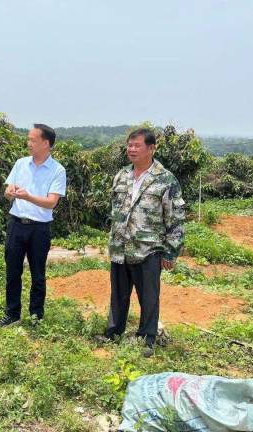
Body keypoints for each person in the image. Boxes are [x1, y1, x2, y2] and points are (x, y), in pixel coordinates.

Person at [100, 127, 185, 357]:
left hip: (148, 250)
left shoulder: (165, 179)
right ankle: (113, 333)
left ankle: (146, 339)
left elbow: (176, 218)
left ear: (151, 148)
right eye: (129, 145)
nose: (131, 149)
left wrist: (171, 252)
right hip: (120, 247)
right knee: (118, 295)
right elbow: (115, 210)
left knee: (148, 297)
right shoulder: (122, 176)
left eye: (137, 145)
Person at [0, 124, 67, 327]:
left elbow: (51, 202)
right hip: (16, 224)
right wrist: (9, 192)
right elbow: (7, 191)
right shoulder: (20, 164)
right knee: (12, 272)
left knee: (38, 274)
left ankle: (36, 315)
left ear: (46, 143)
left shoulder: (57, 170)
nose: (28, 143)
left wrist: (27, 196)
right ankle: (12, 314)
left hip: (40, 228)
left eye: (32, 140)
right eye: (28, 139)